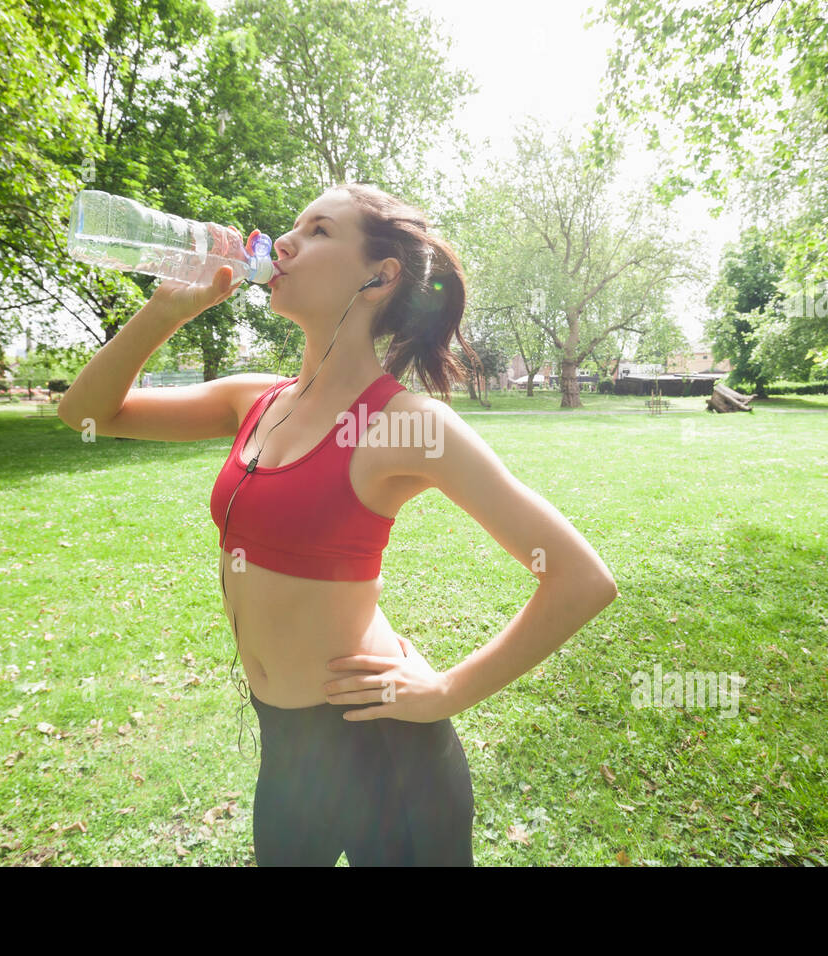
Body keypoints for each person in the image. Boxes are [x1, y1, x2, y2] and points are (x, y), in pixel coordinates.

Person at [57, 183, 619, 866]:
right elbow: (88, 415)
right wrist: (163, 312)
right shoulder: (251, 400)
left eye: (319, 230)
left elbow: (581, 578)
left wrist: (446, 690)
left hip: (386, 753)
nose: (283, 243)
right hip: (287, 752)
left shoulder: (408, 424)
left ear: (379, 277)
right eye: (291, 227)